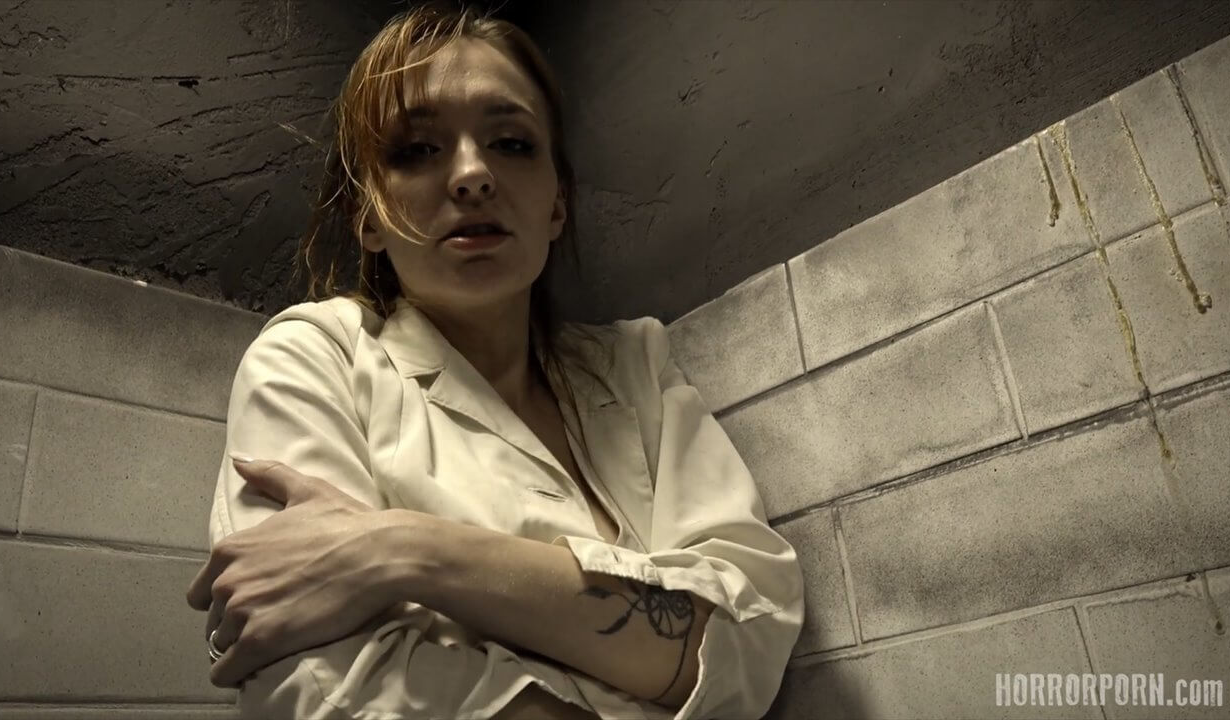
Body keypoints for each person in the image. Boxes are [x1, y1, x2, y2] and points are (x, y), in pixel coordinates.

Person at [184, 2, 804, 718]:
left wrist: (403, 550)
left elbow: (748, 637)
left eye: (511, 143)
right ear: (368, 216)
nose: (473, 174)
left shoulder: (635, 367)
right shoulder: (311, 360)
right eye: (417, 150)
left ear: (557, 203)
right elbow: (319, 688)